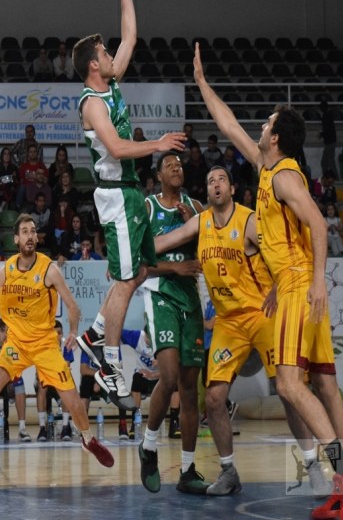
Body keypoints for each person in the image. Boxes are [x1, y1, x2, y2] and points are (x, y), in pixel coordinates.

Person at [189, 46, 343, 518]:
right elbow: (229, 124)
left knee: (289, 385)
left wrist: (317, 281)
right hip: (297, 285)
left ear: (276, 137)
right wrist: (202, 84)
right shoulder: (267, 168)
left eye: (267, 123)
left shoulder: (285, 176)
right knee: (325, 386)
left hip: (296, 285)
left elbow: (318, 223)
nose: (261, 126)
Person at [155, 165, 331, 499]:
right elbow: (162, 241)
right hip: (228, 323)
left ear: (232, 189)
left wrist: (279, 287)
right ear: (207, 191)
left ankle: (312, 465)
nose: (216, 184)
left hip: (263, 315)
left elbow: (283, 255)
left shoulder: (250, 221)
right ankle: (228, 471)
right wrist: (126, 255)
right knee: (215, 398)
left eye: (221, 179)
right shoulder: (201, 222)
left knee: (289, 390)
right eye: (210, 180)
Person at [72, 0, 187, 408]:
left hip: (131, 191)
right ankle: (110, 365)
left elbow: (131, 38)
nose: (109, 54)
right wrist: (157, 144)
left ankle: (95, 334)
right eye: (103, 52)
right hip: (116, 195)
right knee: (124, 281)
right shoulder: (91, 103)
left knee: (139, 271)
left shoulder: (111, 81)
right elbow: (118, 148)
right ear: (93, 65)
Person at [0, 214, 114, 478]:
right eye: (24, 231)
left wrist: (72, 332)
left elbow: (73, 306)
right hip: (17, 345)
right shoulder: (7, 271)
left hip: (45, 345)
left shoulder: (49, 270)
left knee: (73, 400)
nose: (30, 236)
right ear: (16, 239)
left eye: (33, 231)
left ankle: (88, 439)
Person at [129, 151, 208, 495]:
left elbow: (209, 254)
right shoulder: (148, 207)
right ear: (159, 175)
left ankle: (187, 471)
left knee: (190, 388)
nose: (177, 167)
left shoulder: (196, 207)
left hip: (190, 298)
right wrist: (175, 267)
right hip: (160, 293)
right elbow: (138, 263)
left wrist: (197, 228)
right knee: (170, 375)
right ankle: (148, 446)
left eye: (180, 164)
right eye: (169, 165)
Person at [0, 318, 31, 441]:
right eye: (2, 331)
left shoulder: (14, 344)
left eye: (8, 331)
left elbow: (16, 368)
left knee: (20, 384)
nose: (5, 334)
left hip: (9, 381)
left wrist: (6, 378)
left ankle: (22, 429)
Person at [319, 100, 338, 180]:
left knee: (326, 162)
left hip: (329, 142)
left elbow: (327, 129)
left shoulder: (325, 116)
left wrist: (321, 134)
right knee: (328, 162)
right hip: (331, 141)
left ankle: (332, 178)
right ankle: (330, 178)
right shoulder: (329, 115)